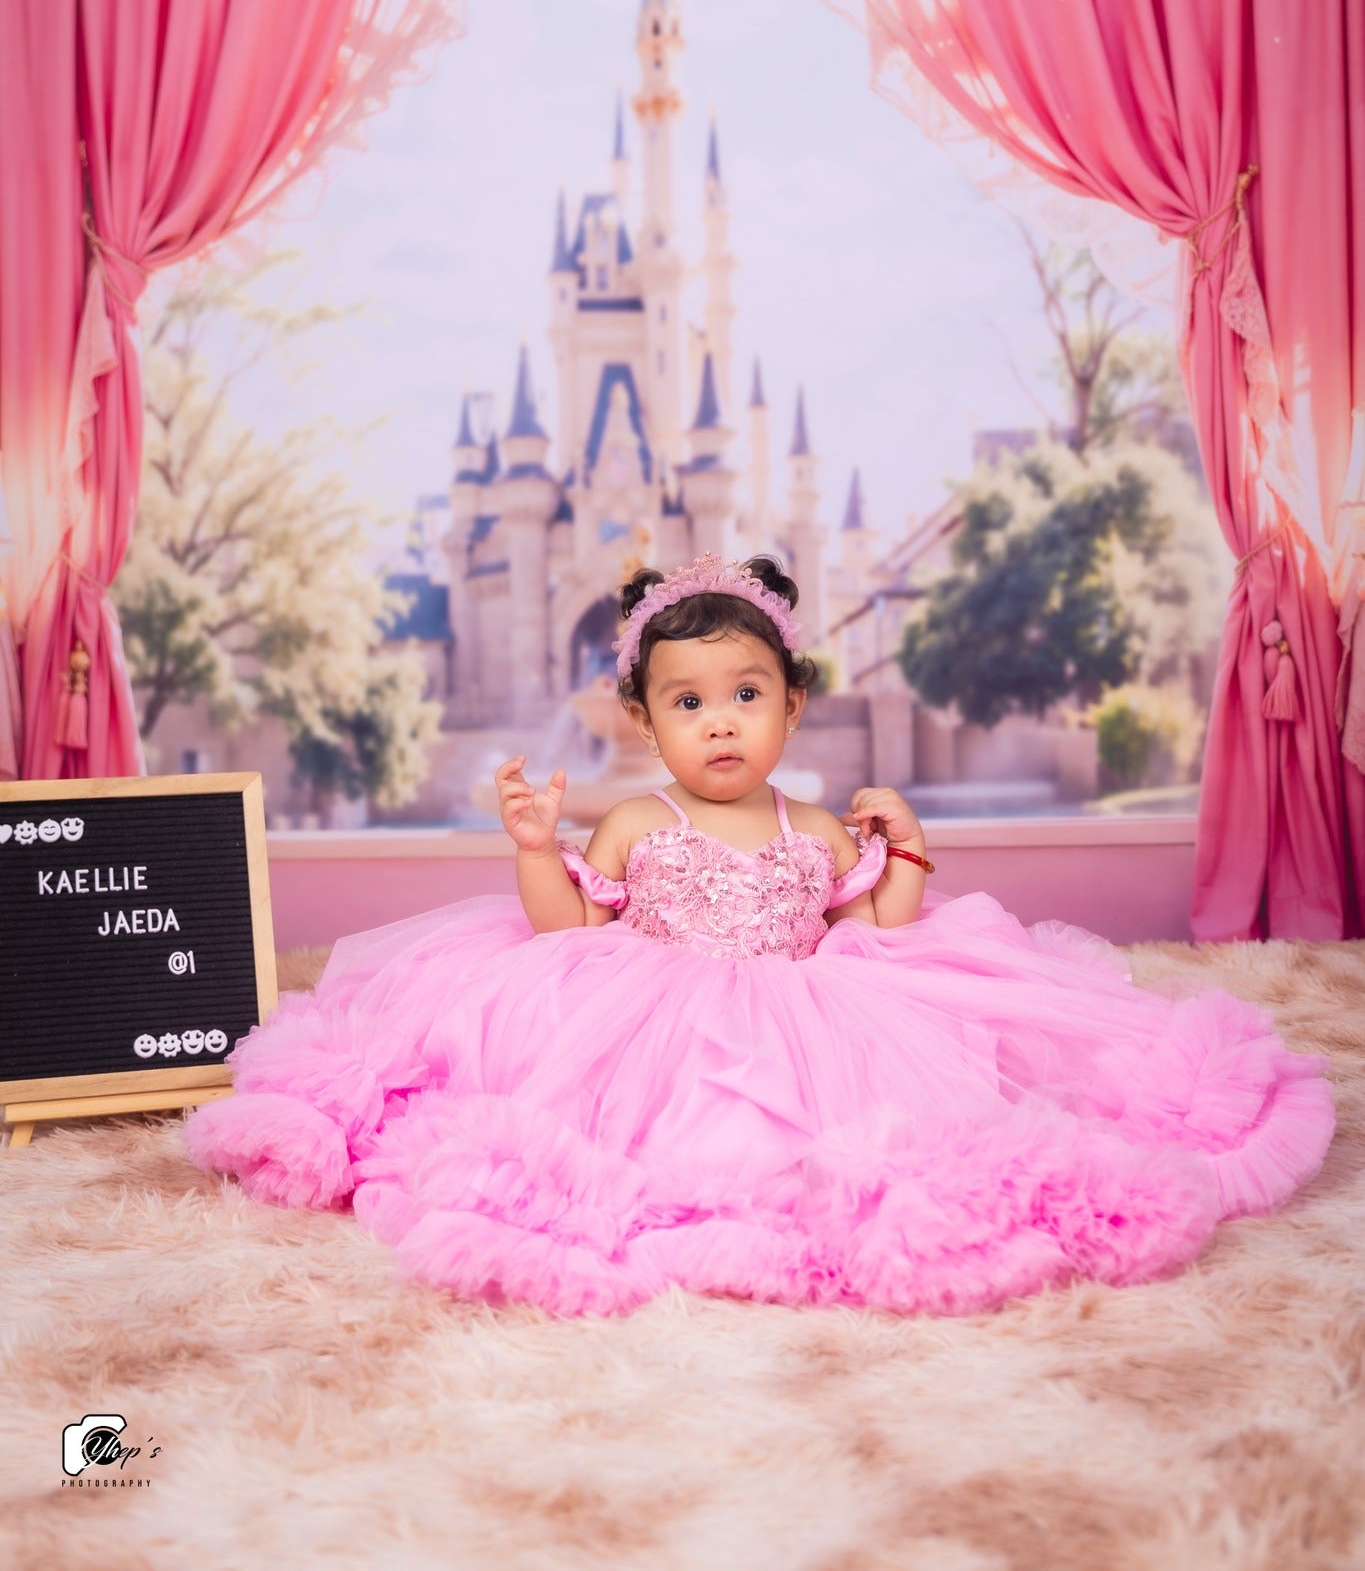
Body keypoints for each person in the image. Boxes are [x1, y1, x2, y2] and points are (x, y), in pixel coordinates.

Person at [185, 553, 1334, 1317]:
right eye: (687, 702)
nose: (720, 721)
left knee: (883, 1116)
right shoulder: (638, 820)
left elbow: (871, 932)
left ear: (792, 704)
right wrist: (537, 844)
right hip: (649, 1014)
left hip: (804, 1011)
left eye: (746, 694)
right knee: (625, 1122)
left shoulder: (815, 827)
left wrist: (908, 850)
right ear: (646, 722)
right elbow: (567, 928)